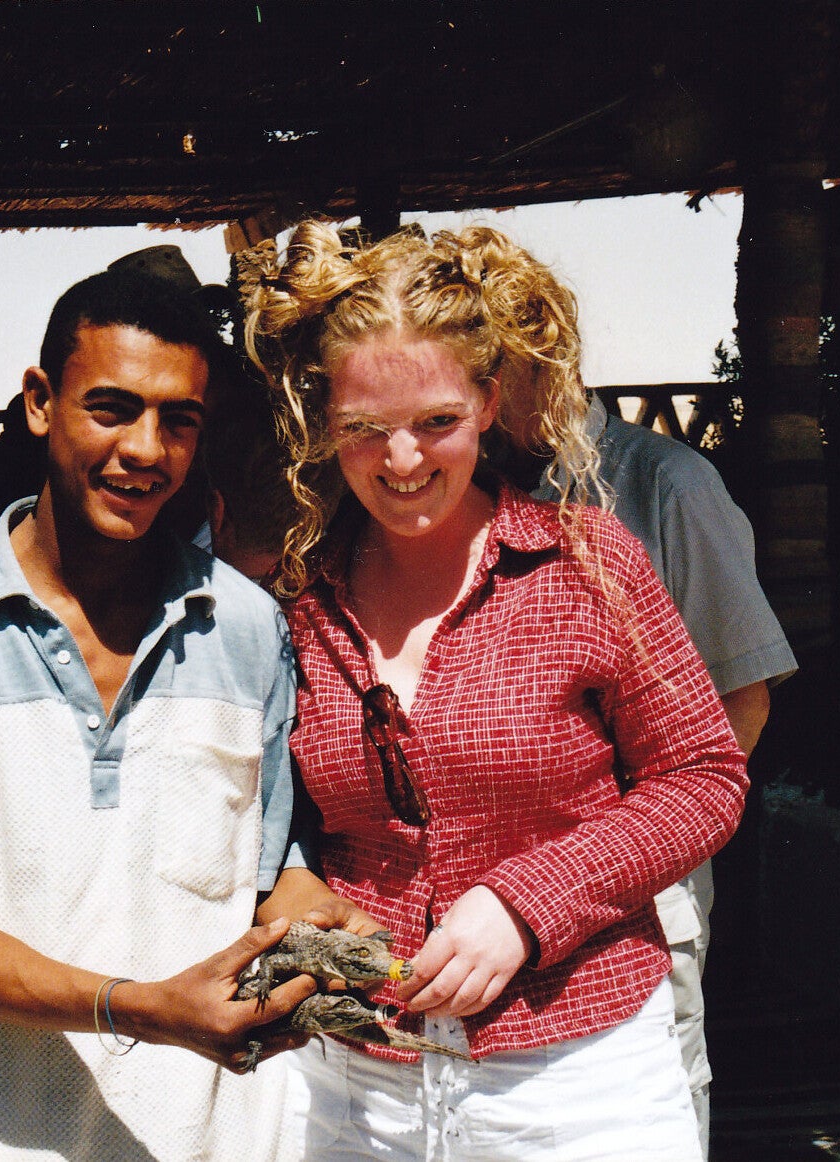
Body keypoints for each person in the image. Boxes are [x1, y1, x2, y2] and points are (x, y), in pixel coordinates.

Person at [242, 222, 750, 1161]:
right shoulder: (295, 601)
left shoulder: (587, 565)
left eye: (435, 421)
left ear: (486, 400)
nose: (401, 461)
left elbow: (702, 777)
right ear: (323, 423)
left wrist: (526, 903)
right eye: (363, 429)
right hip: (354, 1089)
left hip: (582, 1077)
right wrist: (294, 880)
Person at [0, 267, 357, 1160]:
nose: (146, 449)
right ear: (40, 403)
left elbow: (271, 869)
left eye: (178, 420)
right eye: (112, 409)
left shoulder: (245, 626)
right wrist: (139, 1009)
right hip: (1, 1138)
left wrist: (323, 919)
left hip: (218, 1135)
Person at [496, 354, 797, 1156]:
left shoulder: (665, 484)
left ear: (546, 355)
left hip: (642, 898)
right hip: (498, 904)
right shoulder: (472, 488)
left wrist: (634, 858)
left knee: (649, 1112)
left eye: (488, 365)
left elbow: (741, 700)